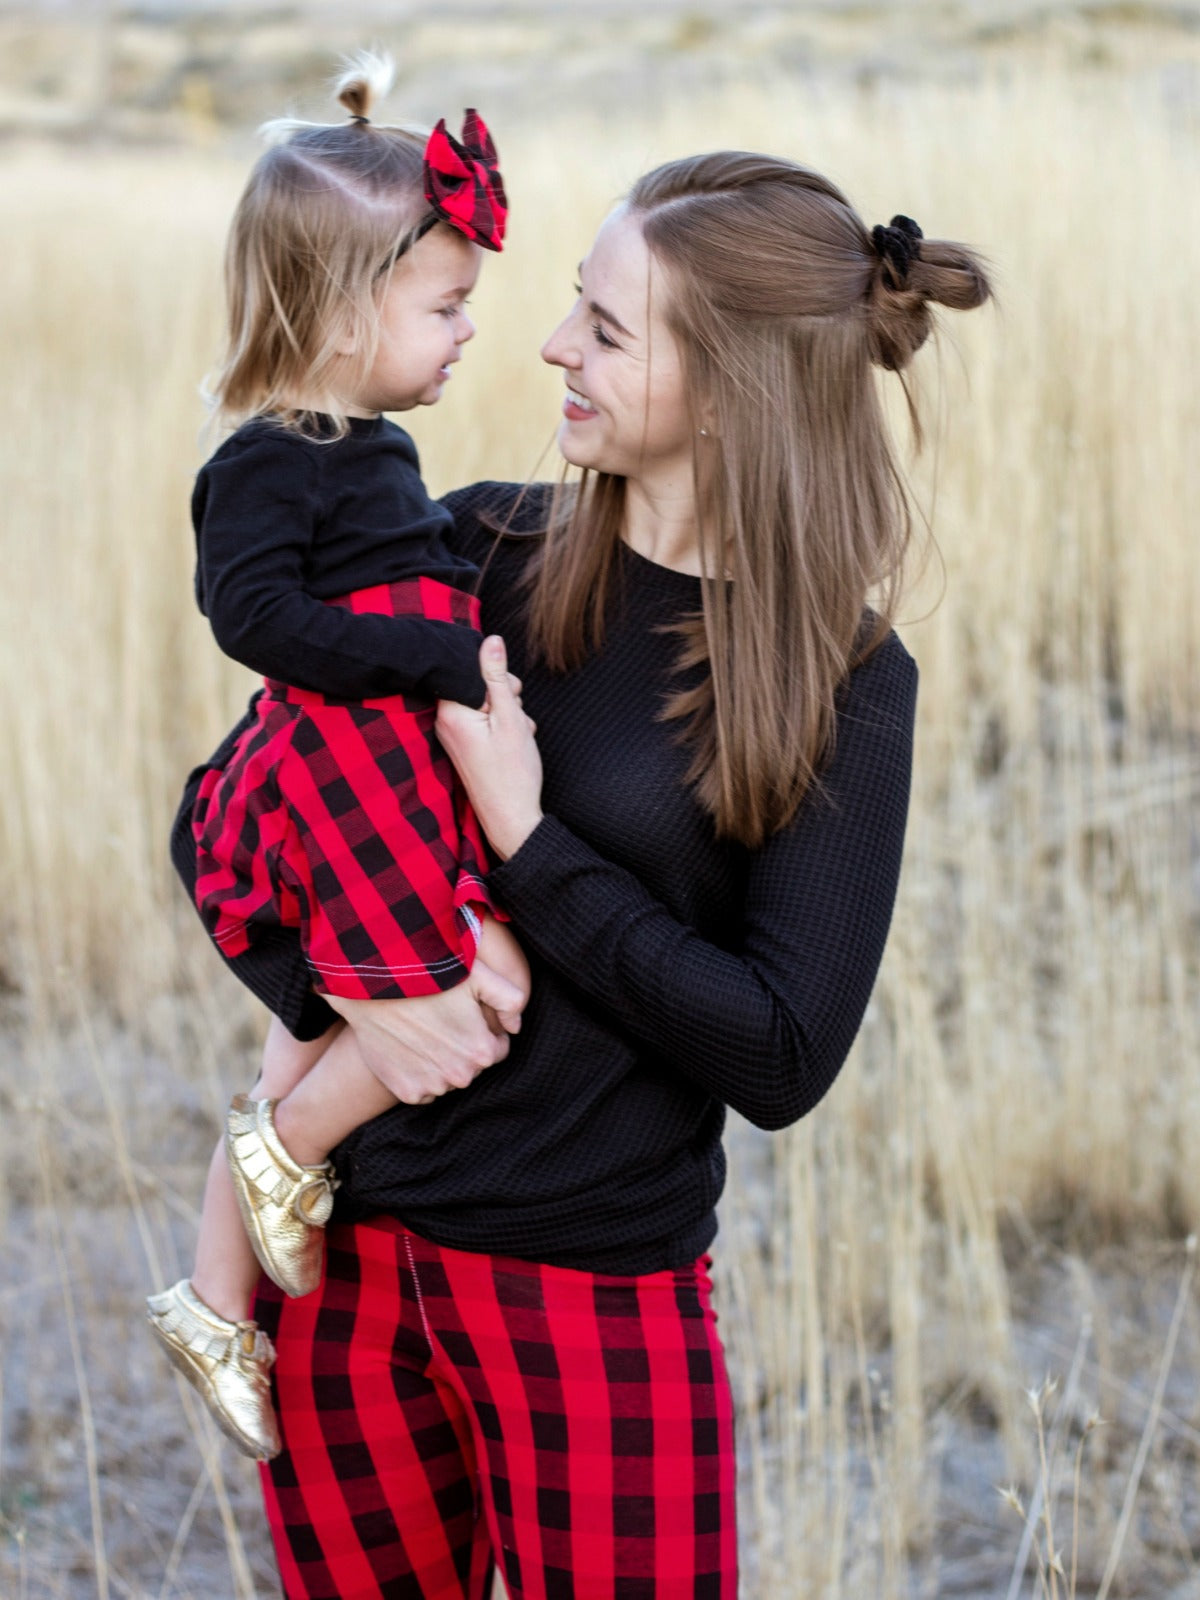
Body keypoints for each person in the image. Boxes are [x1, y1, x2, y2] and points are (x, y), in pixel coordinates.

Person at [170, 150, 991, 1596]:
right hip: (347, 1279)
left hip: (598, 1305)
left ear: (736, 387)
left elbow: (782, 1052)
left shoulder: (843, 679)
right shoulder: (472, 546)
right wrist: (357, 1004)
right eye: (570, 307)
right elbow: (234, 828)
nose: (550, 343)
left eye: (606, 330)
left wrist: (532, 851)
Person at [146, 52, 531, 1463]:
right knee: (464, 981)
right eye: (445, 305)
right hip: (340, 770)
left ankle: (211, 1297)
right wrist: (432, 661)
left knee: (333, 1014)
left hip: (391, 770)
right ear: (340, 306)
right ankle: (281, 1158)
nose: (468, 333)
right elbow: (253, 616)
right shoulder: (269, 457)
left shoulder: (368, 445)